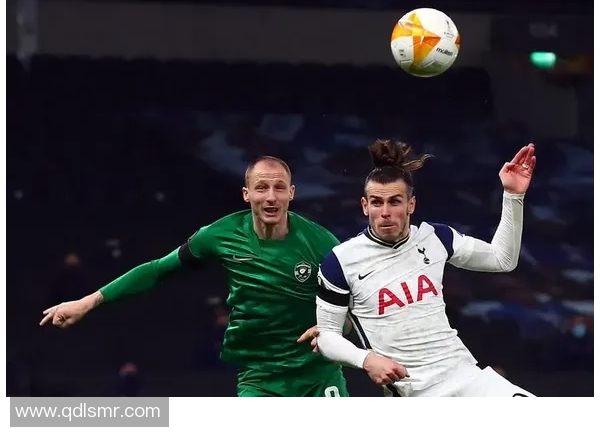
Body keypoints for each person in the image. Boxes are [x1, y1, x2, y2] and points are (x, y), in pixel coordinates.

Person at [40, 156, 350, 397]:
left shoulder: (322, 243)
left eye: (279, 188)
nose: (271, 197)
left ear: (291, 193)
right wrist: (87, 302)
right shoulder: (220, 235)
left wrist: (335, 328)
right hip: (260, 377)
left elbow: (358, 300)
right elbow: (157, 270)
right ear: (246, 194)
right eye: (261, 188)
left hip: (318, 374)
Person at [313, 139, 537, 397]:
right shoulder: (340, 262)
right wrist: (367, 360)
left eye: (395, 202)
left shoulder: (436, 237)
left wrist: (513, 196)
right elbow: (326, 337)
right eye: (376, 202)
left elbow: (502, 259)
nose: (385, 212)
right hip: (415, 392)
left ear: (411, 205)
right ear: (365, 206)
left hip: (467, 376)